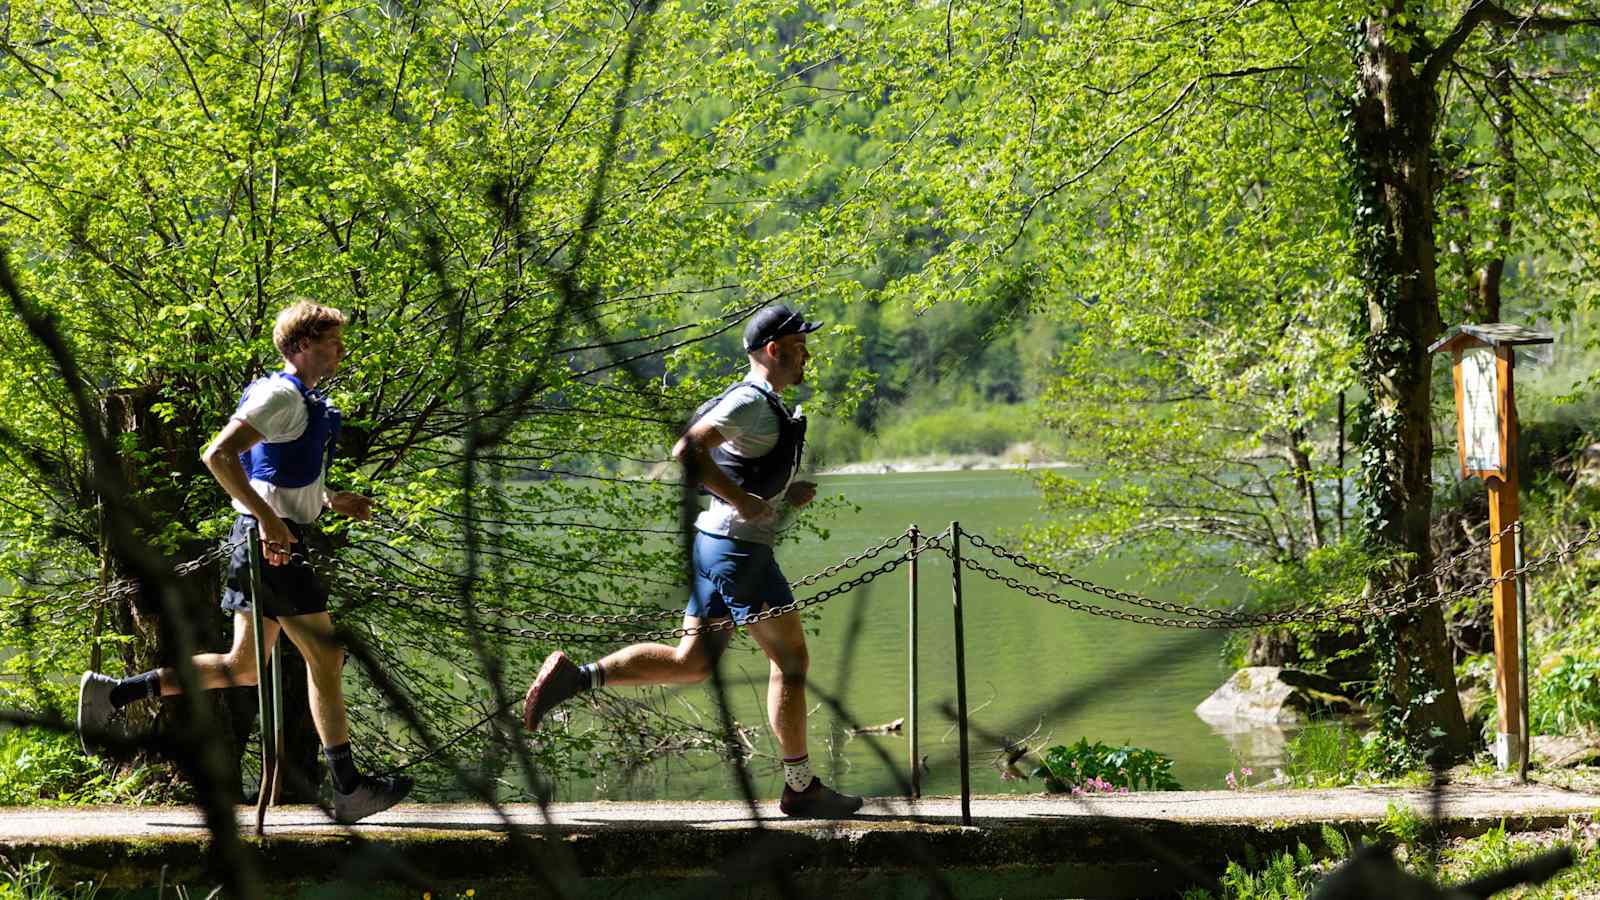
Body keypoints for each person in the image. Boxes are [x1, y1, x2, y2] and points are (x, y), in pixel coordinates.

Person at [521, 303, 863, 818]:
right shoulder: (750, 402)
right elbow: (689, 451)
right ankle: (801, 786)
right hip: (738, 554)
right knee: (792, 664)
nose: (806, 356)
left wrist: (779, 495)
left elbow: (738, 465)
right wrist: (741, 501)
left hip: (714, 545)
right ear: (773, 350)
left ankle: (578, 676)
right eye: (797, 347)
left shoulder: (757, 402)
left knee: (693, 663)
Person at [77, 300, 413, 824]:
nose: (340, 351)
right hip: (270, 544)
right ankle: (347, 786)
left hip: (264, 538)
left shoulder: (296, 397)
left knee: (244, 667)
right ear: (302, 346)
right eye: (331, 342)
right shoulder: (281, 393)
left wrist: (329, 500)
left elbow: (273, 471)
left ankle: (115, 693)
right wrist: (271, 523)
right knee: (324, 657)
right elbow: (218, 456)